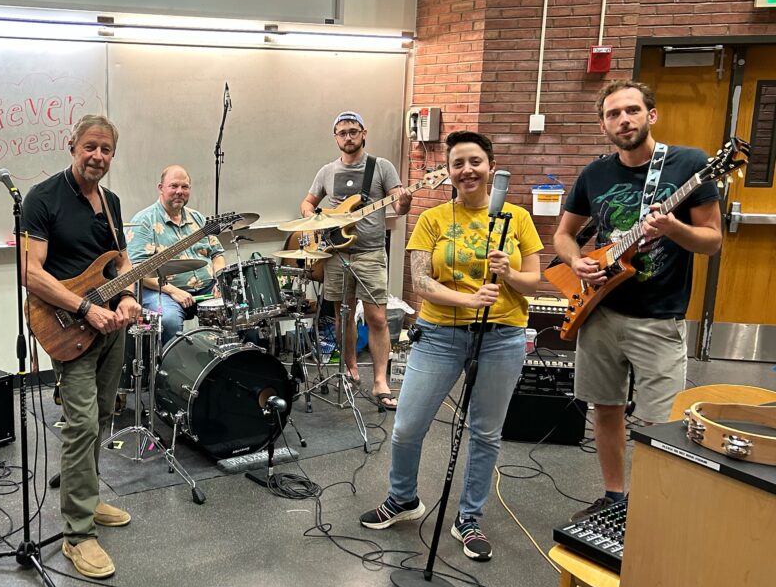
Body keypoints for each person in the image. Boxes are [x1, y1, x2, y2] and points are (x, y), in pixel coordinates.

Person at [359, 131, 542, 562]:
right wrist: (467, 298)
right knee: (407, 426)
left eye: (475, 161)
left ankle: (469, 518)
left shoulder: (516, 218)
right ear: (449, 174)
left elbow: (536, 281)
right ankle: (403, 499)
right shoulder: (433, 219)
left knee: (485, 432)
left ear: (491, 167)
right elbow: (421, 281)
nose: (467, 170)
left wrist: (509, 274)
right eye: (457, 163)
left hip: (502, 337)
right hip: (439, 335)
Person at [554, 80, 721, 522]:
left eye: (631, 110)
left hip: (659, 317)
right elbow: (564, 234)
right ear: (603, 123)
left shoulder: (689, 164)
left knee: (659, 421)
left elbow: (711, 241)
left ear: (652, 114)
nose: (623, 120)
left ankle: (650, 510)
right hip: (601, 310)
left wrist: (672, 228)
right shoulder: (595, 173)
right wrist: (577, 264)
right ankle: (614, 497)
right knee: (605, 408)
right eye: (613, 114)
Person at [21, 114, 141, 579]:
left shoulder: (109, 202)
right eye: (90, 147)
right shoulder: (42, 198)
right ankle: (76, 534)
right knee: (81, 423)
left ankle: (86, 501)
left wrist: (128, 296)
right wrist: (85, 308)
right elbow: (31, 273)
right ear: (72, 146)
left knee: (104, 416)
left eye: (106, 150)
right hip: (68, 326)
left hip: (111, 327)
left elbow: (121, 263)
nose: (98, 157)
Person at [301, 111, 411, 409]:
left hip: (371, 252)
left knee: (377, 317)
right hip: (337, 253)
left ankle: (380, 381)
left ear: (364, 133)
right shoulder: (326, 171)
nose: (347, 137)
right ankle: (349, 365)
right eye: (341, 132)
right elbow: (308, 203)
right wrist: (314, 218)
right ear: (335, 137)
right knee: (342, 315)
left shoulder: (381, 167)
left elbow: (399, 209)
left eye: (352, 131)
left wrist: (404, 200)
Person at [127, 164, 226, 345]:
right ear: (160, 188)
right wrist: (174, 291)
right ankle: (168, 371)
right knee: (168, 321)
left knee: (238, 310)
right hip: (161, 290)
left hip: (206, 287)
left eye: (185, 187)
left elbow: (217, 254)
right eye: (174, 186)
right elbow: (137, 270)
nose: (180, 191)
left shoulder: (198, 218)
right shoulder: (144, 221)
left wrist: (220, 279)